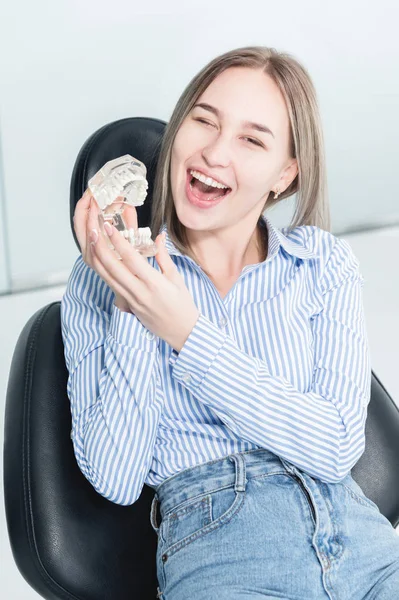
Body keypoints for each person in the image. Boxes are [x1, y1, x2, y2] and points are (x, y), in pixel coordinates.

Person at [61, 46, 399, 599]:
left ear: (284, 173)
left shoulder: (322, 264)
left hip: (363, 547)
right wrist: (135, 299)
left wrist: (189, 335)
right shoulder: (99, 280)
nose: (214, 152)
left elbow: (337, 446)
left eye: (252, 139)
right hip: (222, 556)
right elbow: (116, 479)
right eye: (204, 120)